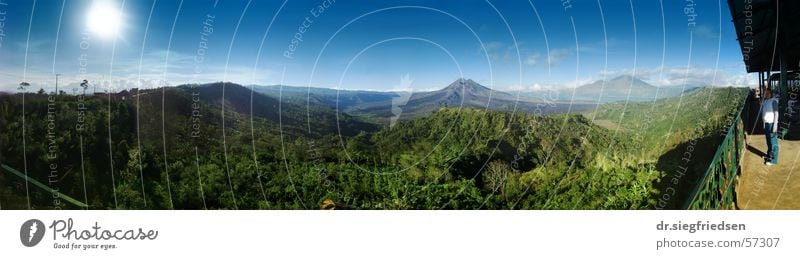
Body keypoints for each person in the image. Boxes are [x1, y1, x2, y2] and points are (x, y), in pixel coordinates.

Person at [762, 88, 779, 166]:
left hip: (772, 124)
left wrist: (775, 125)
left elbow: (776, 114)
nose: (766, 94)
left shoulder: (774, 101)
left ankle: (774, 160)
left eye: (768, 93)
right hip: (766, 124)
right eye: (765, 93)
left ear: (771, 93)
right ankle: (769, 155)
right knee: (768, 141)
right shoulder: (766, 101)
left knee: (773, 142)